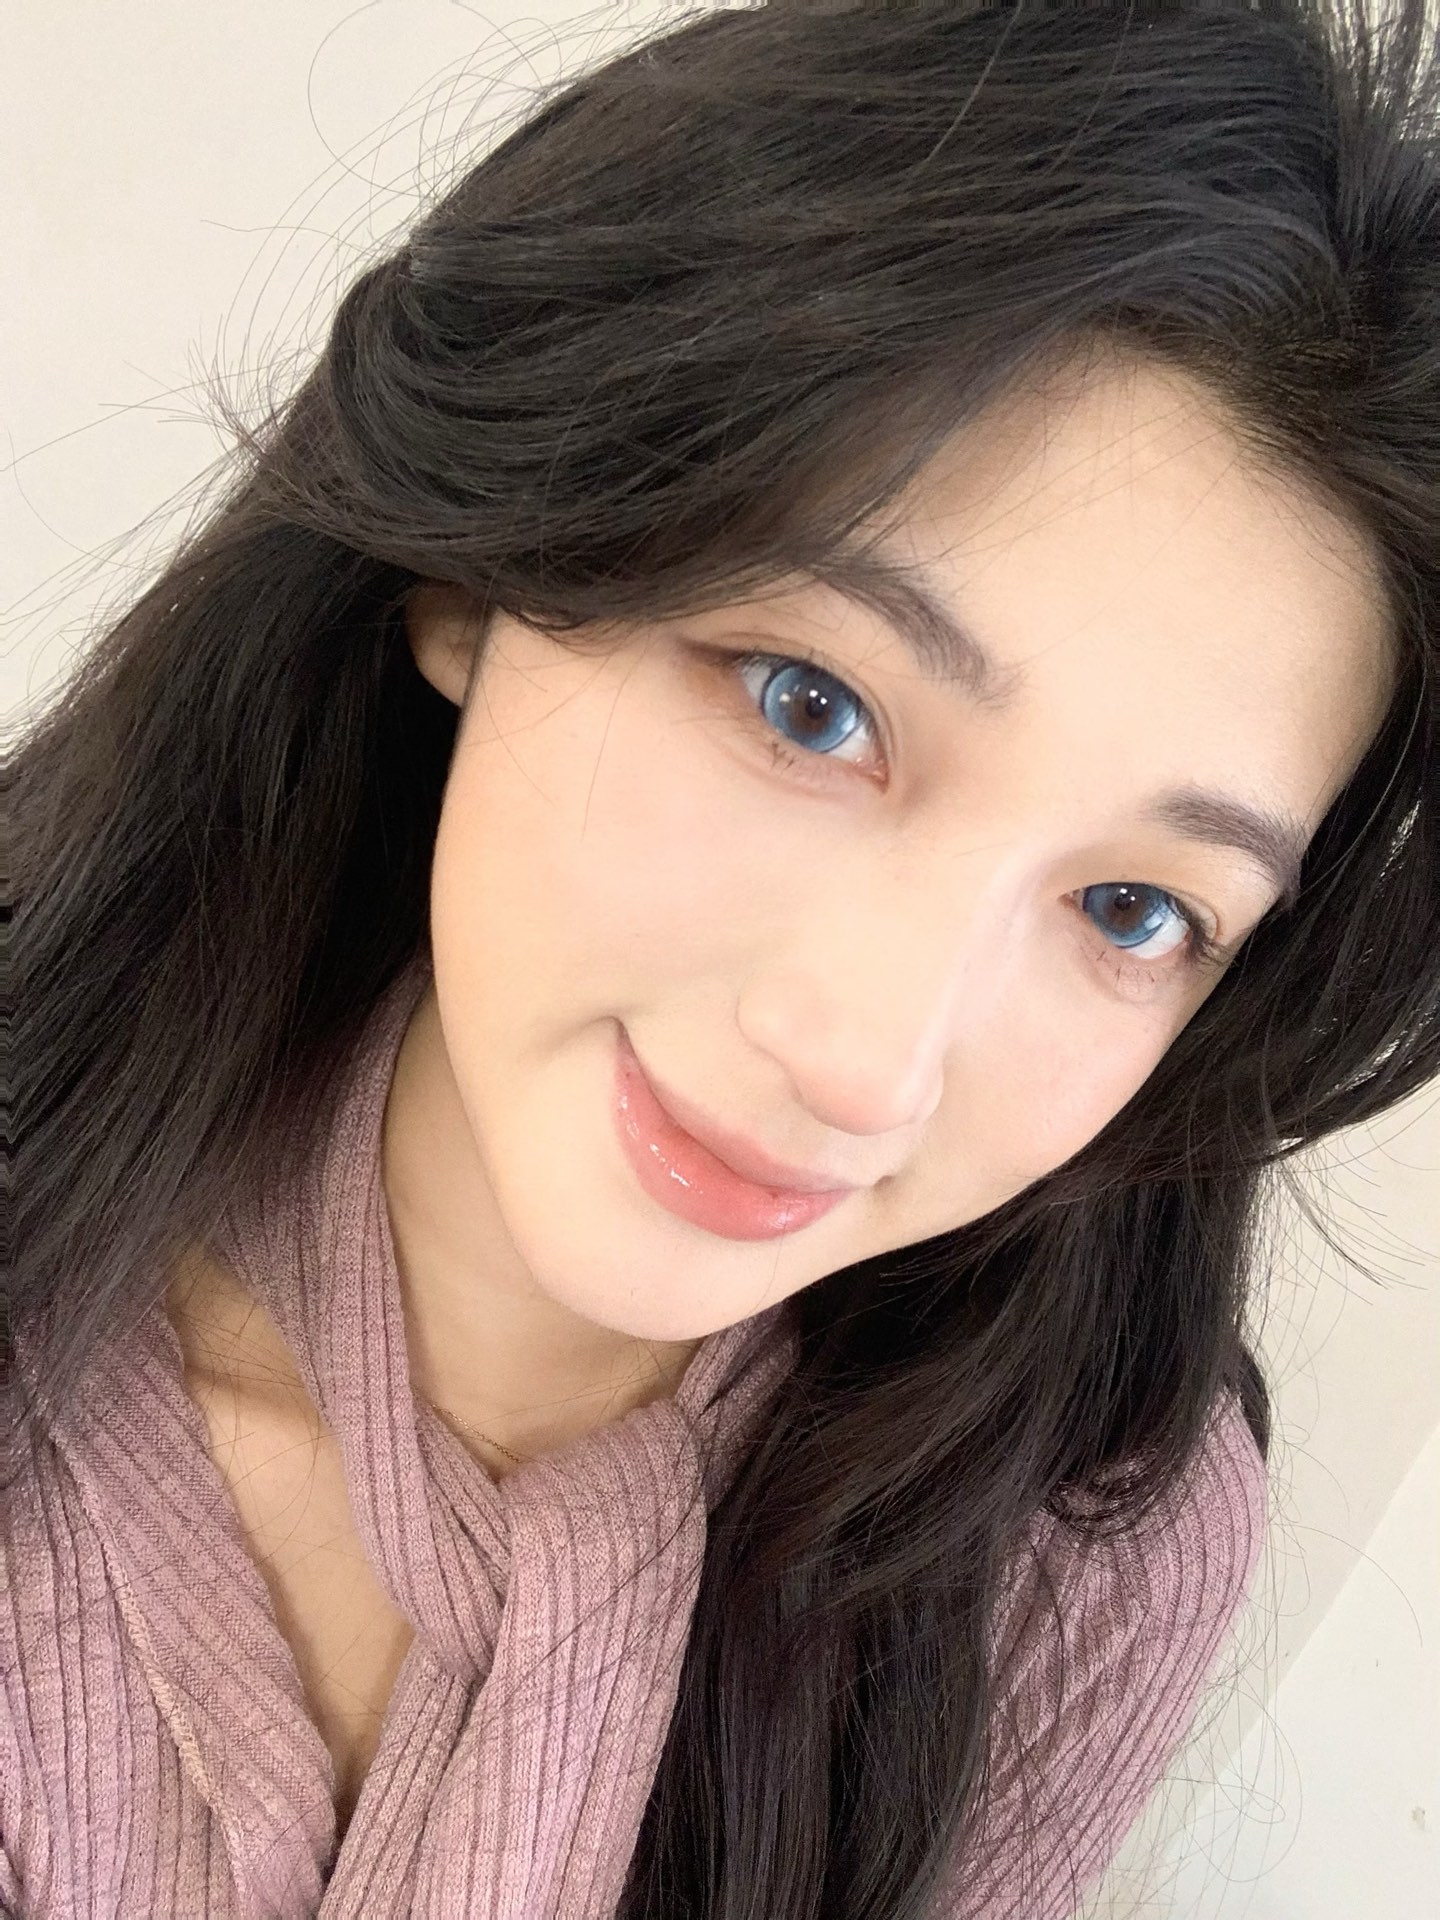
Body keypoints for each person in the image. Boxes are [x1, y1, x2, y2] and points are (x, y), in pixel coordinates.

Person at [6, 0, 1439, 1914]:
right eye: (808, 705)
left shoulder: (1067, 1549)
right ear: (486, 567)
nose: (868, 1062)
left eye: (1132, 911)